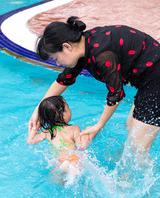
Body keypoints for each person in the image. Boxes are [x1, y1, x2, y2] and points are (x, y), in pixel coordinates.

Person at [29, 16, 160, 151]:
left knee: (137, 148)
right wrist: (37, 110)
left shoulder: (102, 55)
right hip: (149, 81)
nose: (57, 63)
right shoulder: (83, 46)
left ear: (67, 46)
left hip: (156, 80)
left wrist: (98, 126)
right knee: (131, 129)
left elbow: (116, 94)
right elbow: (64, 80)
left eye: (56, 58)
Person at [27, 96, 88, 175]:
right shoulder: (74, 128)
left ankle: (64, 167)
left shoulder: (47, 131)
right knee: (77, 169)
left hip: (59, 161)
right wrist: (86, 134)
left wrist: (36, 127)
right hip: (73, 159)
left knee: (58, 178)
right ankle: (71, 168)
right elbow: (82, 145)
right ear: (63, 114)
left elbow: (30, 141)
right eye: (68, 108)